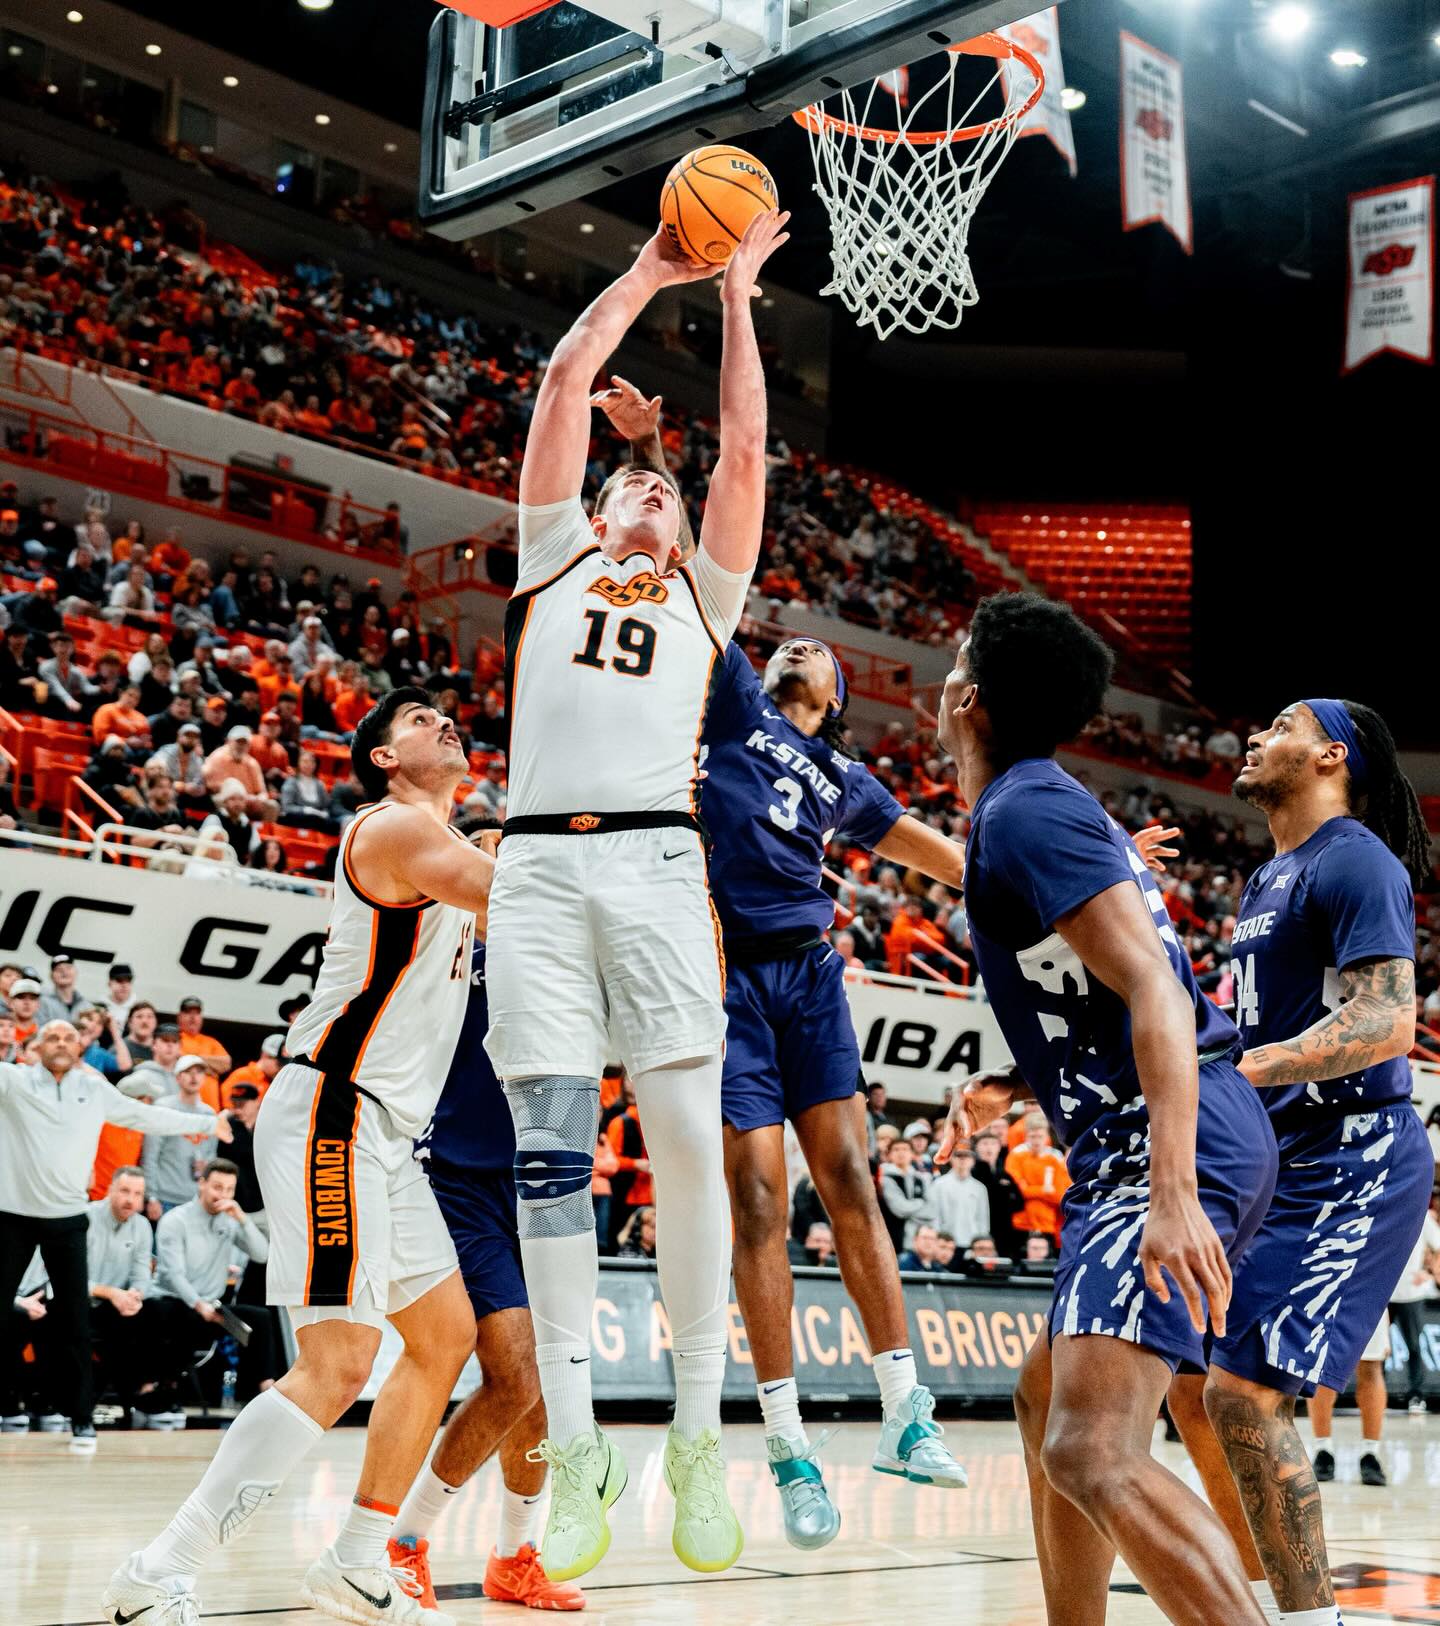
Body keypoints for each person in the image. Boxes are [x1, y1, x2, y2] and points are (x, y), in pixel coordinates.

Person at [481, 212, 787, 1583]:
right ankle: (584, 1436)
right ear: (600, 507)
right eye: (641, 488)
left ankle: (698, 1429)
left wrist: (737, 300)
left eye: (665, 490)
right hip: (537, 865)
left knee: (682, 1148)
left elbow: (745, 451)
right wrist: (651, 273)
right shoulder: (549, 555)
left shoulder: (713, 594)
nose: (658, 498)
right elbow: (558, 388)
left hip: (660, 863)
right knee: (550, 1150)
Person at [104, 686, 493, 1626]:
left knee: (445, 1338)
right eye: (416, 719)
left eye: (447, 713)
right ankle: (158, 1569)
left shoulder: (446, 845)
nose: (445, 721)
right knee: (338, 1363)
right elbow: (526, 893)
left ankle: (359, 1558)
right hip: (333, 1110)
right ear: (382, 759)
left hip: (388, 1134)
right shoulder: (394, 828)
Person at [932, 592, 1279, 1626]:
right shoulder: (1027, 808)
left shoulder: (1028, 809)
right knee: (1046, 1397)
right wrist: (1000, 1090)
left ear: (969, 698)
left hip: (1165, 1140)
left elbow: (1160, 992)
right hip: (1147, 1134)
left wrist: (1172, 1191)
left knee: (1092, 1446)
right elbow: (1076, 980)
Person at [1163, 697, 1434, 1626]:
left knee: (1243, 1393)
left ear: (1331, 757)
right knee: (1194, 1386)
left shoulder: (1355, 857)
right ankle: (1250, 1598)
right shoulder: (1268, 875)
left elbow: (1386, 1020)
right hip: (1279, 1157)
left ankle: (1310, 1622)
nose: (1254, 736)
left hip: (1352, 1154)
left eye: (1279, 725)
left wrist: (1241, 1071)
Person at [389, 931, 585, 1613]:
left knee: (542, 1386)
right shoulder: (448, 948)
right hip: (459, 1180)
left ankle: (513, 1557)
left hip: (545, 1180)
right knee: (514, 1371)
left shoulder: (564, 951)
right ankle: (404, 1542)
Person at [0, 1020, 232, 1453]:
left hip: (67, 1220)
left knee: (76, 1323)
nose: (62, 1043)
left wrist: (206, 1122)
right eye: (53, 1036)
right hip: (13, 1217)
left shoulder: (94, 1090)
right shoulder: (12, 1082)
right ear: (34, 1046)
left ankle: (82, 1420)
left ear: (80, 1048)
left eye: (70, 1037)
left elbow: (146, 1115)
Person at [147, 1160, 274, 1424]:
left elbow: (262, 1254)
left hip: (213, 1306)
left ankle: (265, 1392)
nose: (223, 1195)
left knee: (259, 1319)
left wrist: (242, 1219)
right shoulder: (175, 1220)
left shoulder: (229, 1220)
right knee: (177, 1314)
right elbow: (174, 1275)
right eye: (217, 1187)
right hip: (175, 1300)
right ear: (201, 1184)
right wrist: (198, 1304)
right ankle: (165, 1390)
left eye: (229, 1189)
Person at [86, 1166, 159, 1424]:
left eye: (138, 1194)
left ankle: (140, 1397)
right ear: (110, 1190)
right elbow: (69, 1278)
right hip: (84, 1300)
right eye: (125, 1191)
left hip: (119, 1304)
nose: (130, 1199)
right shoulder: (87, 1217)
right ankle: (91, 1398)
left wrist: (134, 1296)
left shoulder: (142, 1227)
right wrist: (112, 1294)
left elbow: (142, 1276)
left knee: (152, 1313)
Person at [141, 1055, 220, 1212]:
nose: (193, 1076)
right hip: (165, 1198)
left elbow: (212, 1155)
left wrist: (207, 1165)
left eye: (198, 1072)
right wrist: (151, 1197)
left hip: (195, 1199)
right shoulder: (163, 1108)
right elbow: (150, 1156)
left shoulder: (209, 1114)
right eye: (188, 1072)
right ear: (177, 1077)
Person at [1388, 1202, 1440, 1413]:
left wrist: (1428, 1273)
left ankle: (1416, 1396)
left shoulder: (1423, 1216)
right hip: (1383, 1293)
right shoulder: (1384, 1209)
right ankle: (1376, 1395)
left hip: (1411, 1292)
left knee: (1414, 1346)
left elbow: (1438, 1247)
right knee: (1375, 1352)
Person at [1004, 1113, 1069, 1246]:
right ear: (1026, 1136)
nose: (1036, 1141)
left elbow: (1059, 1194)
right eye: (1032, 1136)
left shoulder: (1055, 1158)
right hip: (1021, 1222)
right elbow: (1018, 1192)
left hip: (1048, 1223)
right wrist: (1043, 1191)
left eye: (1040, 1136)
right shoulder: (1016, 1155)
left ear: (1047, 1136)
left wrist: (1030, 1190)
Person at [924, 1141, 990, 1251]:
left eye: (967, 1156)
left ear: (973, 1160)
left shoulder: (980, 1188)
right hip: (945, 1244)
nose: (962, 1160)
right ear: (951, 1159)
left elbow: (983, 1219)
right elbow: (934, 1217)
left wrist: (981, 1243)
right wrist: (938, 1241)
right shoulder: (939, 1185)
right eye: (958, 1155)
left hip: (972, 1244)